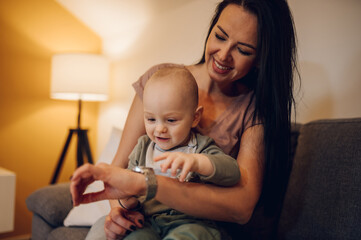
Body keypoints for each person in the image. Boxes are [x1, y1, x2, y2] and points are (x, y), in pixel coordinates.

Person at [71, 0, 298, 239]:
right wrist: (119, 209)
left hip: (196, 225)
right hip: (143, 219)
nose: (223, 55)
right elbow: (120, 169)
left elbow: (241, 207)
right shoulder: (158, 80)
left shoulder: (255, 110)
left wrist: (148, 184)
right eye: (220, 36)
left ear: (261, 58)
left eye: (243, 50)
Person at [117, 66, 240, 239]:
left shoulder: (200, 147)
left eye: (171, 120)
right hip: (148, 221)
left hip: (191, 222)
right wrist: (127, 202)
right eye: (151, 119)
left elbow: (233, 172)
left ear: (195, 117)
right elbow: (128, 186)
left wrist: (198, 162)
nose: (160, 129)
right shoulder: (143, 147)